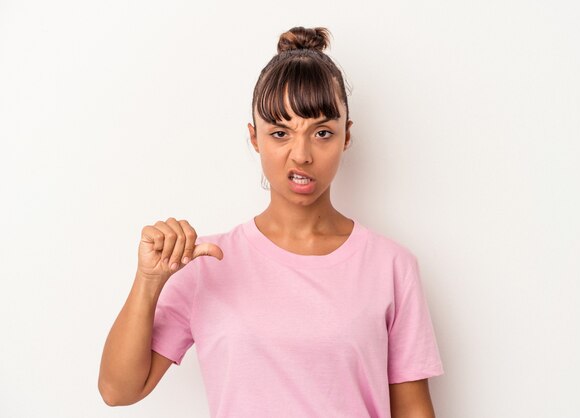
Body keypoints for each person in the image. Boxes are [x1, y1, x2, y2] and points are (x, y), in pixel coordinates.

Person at [98, 26, 444, 417]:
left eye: (322, 133)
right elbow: (117, 390)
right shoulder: (204, 264)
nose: (301, 154)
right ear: (255, 138)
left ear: (346, 137)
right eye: (281, 133)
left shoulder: (391, 266)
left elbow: (414, 410)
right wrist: (148, 281)